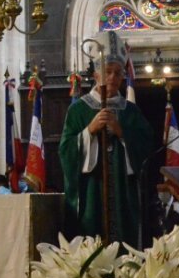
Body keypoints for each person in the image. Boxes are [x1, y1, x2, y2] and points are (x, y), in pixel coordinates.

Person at [59, 31, 152, 246]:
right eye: (108, 71)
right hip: (92, 190)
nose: (112, 77)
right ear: (96, 75)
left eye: (118, 73)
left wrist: (122, 132)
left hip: (123, 193)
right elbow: (65, 151)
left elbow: (146, 146)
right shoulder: (79, 110)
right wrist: (89, 131)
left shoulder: (130, 111)